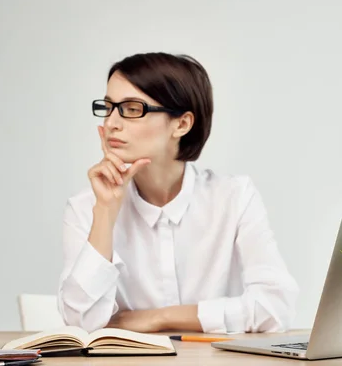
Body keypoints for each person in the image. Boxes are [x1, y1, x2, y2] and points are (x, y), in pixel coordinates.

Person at [57, 52, 299, 334]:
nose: (111, 123)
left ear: (182, 124)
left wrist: (160, 318)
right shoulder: (87, 207)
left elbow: (276, 307)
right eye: (108, 107)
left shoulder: (234, 197)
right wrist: (106, 212)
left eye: (133, 109)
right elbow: (80, 323)